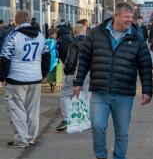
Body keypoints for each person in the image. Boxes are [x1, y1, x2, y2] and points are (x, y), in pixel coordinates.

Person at [73, 2, 153, 159]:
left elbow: (145, 66)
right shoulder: (96, 33)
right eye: (127, 18)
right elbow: (84, 58)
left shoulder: (137, 37)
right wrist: (78, 82)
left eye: (131, 18)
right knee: (98, 126)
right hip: (100, 91)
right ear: (116, 16)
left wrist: (147, 90)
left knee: (122, 132)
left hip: (124, 93)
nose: (130, 21)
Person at [0, 10, 50, 148]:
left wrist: (3, 77)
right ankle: (30, 138)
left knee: (17, 110)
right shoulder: (40, 36)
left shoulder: (13, 35)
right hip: (35, 78)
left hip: (16, 78)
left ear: (16, 21)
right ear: (29, 20)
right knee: (32, 110)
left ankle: (21, 140)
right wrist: (44, 74)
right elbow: (47, 56)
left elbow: (4, 58)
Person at [56, 23, 90, 132]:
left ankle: (66, 119)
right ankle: (84, 119)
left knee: (65, 95)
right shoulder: (91, 44)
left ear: (74, 33)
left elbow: (70, 61)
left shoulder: (74, 44)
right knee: (84, 95)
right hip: (88, 73)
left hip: (74, 73)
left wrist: (66, 71)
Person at [46, 28, 59, 93]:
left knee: (52, 72)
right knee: (53, 72)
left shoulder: (47, 41)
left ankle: (53, 84)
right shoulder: (51, 41)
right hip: (53, 58)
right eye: (54, 34)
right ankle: (52, 84)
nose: (56, 35)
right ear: (51, 35)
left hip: (53, 59)